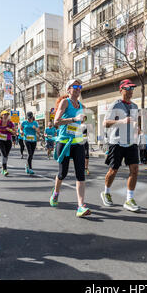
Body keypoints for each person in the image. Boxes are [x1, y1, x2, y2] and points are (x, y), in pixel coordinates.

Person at [50, 79, 91, 218]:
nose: (78, 88)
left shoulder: (81, 105)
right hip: (64, 142)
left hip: (77, 141)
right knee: (63, 173)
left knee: (81, 173)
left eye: (80, 86)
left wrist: (82, 122)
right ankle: (56, 193)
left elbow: (80, 122)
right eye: (75, 86)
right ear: (68, 89)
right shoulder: (65, 102)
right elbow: (56, 122)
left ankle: (80, 206)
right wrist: (74, 119)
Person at [101, 79, 141, 212]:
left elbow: (134, 122)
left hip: (131, 142)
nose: (130, 92)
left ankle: (129, 199)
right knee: (114, 170)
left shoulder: (135, 106)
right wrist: (122, 121)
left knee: (134, 170)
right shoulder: (115, 105)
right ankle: (106, 192)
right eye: (127, 89)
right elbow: (105, 123)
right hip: (116, 141)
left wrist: (137, 128)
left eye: (132, 89)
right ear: (121, 90)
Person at [0, 110, 16, 176]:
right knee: (4, 154)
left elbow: (14, 132)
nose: (6, 116)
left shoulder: (10, 123)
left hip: (8, 140)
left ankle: (3, 166)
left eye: (7, 114)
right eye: (5, 114)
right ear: (1, 115)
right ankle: (4, 169)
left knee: (6, 155)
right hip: (0, 140)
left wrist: (9, 130)